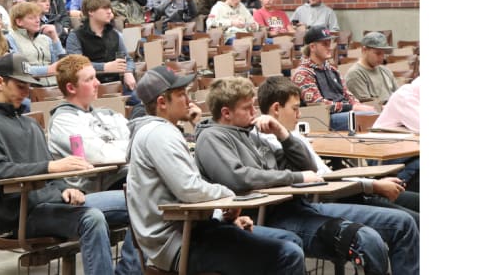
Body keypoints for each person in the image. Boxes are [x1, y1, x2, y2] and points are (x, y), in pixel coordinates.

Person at [193, 76, 419, 275]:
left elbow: (306, 166)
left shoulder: (253, 134)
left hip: (301, 206)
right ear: (226, 113)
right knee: (366, 240)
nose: (254, 113)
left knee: (402, 223)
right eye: (247, 108)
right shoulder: (212, 138)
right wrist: (297, 178)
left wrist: (283, 134)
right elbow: (240, 178)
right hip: (271, 216)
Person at [0, 53, 141, 275]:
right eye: (20, 86)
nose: (26, 92)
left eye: (29, 86)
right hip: (23, 214)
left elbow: (51, 175)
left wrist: (66, 188)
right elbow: (0, 170)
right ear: (0, 82)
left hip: (54, 203)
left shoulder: (30, 125)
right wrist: (51, 168)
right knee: (92, 218)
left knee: (142, 201)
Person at [125, 65, 305, 274]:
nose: (188, 100)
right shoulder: (159, 134)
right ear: (162, 103)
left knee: (289, 240)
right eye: (181, 94)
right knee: (287, 254)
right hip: (179, 244)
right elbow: (189, 189)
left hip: (194, 231)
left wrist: (221, 216)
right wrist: (228, 195)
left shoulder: (160, 131)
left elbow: (185, 194)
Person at [252, 77, 420, 225]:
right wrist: (373, 186)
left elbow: (329, 174)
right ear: (276, 109)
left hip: (348, 188)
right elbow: (321, 178)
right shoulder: (272, 141)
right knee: (410, 221)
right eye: (295, 109)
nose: (299, 114)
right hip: (334, 197)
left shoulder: (293, 134)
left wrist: (371, 183)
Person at [49, 54, 130, 191]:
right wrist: (130, 149)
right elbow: (101, 156)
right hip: (99, 188)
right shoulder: (63, 121)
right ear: (71, 88)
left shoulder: (107, 113)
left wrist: (111, 146)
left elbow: (137, 141)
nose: (97, 83)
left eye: (95, 77)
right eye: (90, 79)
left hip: (128, 176)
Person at [292, 27, 375, 131]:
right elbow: (319, 105)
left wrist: (357, 104)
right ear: (312, 47)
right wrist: (351, 107)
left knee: (372, 113)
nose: (330, 48)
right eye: (325, 44)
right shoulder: (302, 73)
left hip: (342, 113)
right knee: (365, 117)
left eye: (329, 44)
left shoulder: (333, 70)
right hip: (324, 118)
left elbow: (347, 94)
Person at [66, 0, 139, 105]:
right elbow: (76, 65)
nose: (109, 12)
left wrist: (128, 71)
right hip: (89, 89)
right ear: (91, 12)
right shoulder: (75, 36)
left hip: (117, 86)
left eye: (109, 8)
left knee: (143, 100)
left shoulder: (114, 34)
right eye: (105, 8)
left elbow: (127, 59)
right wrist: (104, 67)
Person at [5, 2, 65, 87]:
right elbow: (19, 69)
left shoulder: (46, 39)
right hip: (30, 88)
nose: (38, 20)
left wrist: (55, 38)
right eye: (32, 18)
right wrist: (48, 70)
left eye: (38, 17)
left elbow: (62, 64)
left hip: (55, 85)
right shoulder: (9, 39)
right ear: (19, 22)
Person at [345, 32, 399, 105]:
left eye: (383, 53)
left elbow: (398, 95)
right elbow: (367, 106)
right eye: (378, 53)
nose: (382, 57)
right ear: (364, 50)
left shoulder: (385, 71)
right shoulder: (355, 74)